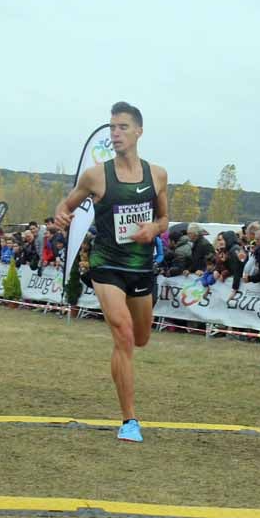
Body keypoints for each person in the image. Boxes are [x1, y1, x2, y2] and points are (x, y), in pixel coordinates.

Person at [54, 102, 169, 443]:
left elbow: (165, 220)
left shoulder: (158, 175)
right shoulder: (96, 175)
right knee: (122, 333)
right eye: (111, 128)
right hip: (105, 264)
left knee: (141, 337)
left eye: (121, 127)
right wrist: (61, 215)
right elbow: (66, 205)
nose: (115, 134)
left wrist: (154, 229)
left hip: (140, 267)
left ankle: (128, 395)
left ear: (138, 131)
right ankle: (129, 420)